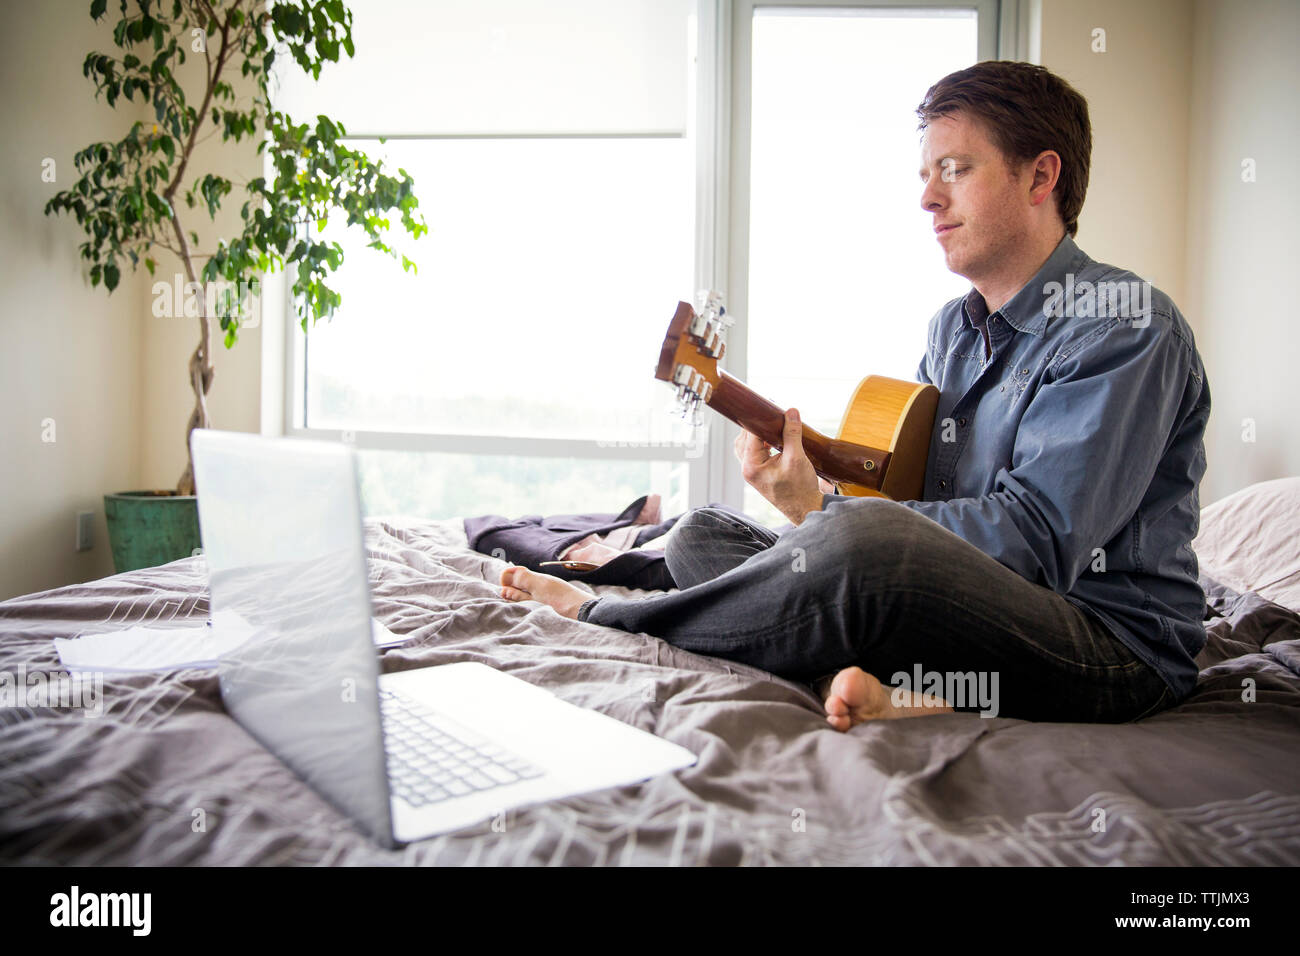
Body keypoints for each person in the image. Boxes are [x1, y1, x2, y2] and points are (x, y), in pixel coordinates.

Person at [500, 61, 1210, 730]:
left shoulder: (1124, 325)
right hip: (969, 610)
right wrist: (811, 504)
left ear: (1040, 176)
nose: (928, 197)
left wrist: (828, 520)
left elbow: (1038, 543)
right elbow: (907, 507)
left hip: (1107, 642)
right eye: (927, 175)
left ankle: (606, 617)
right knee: (701, 535)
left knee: (852, 544)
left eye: (956, 171)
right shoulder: (951, 331)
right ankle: (914, 687)